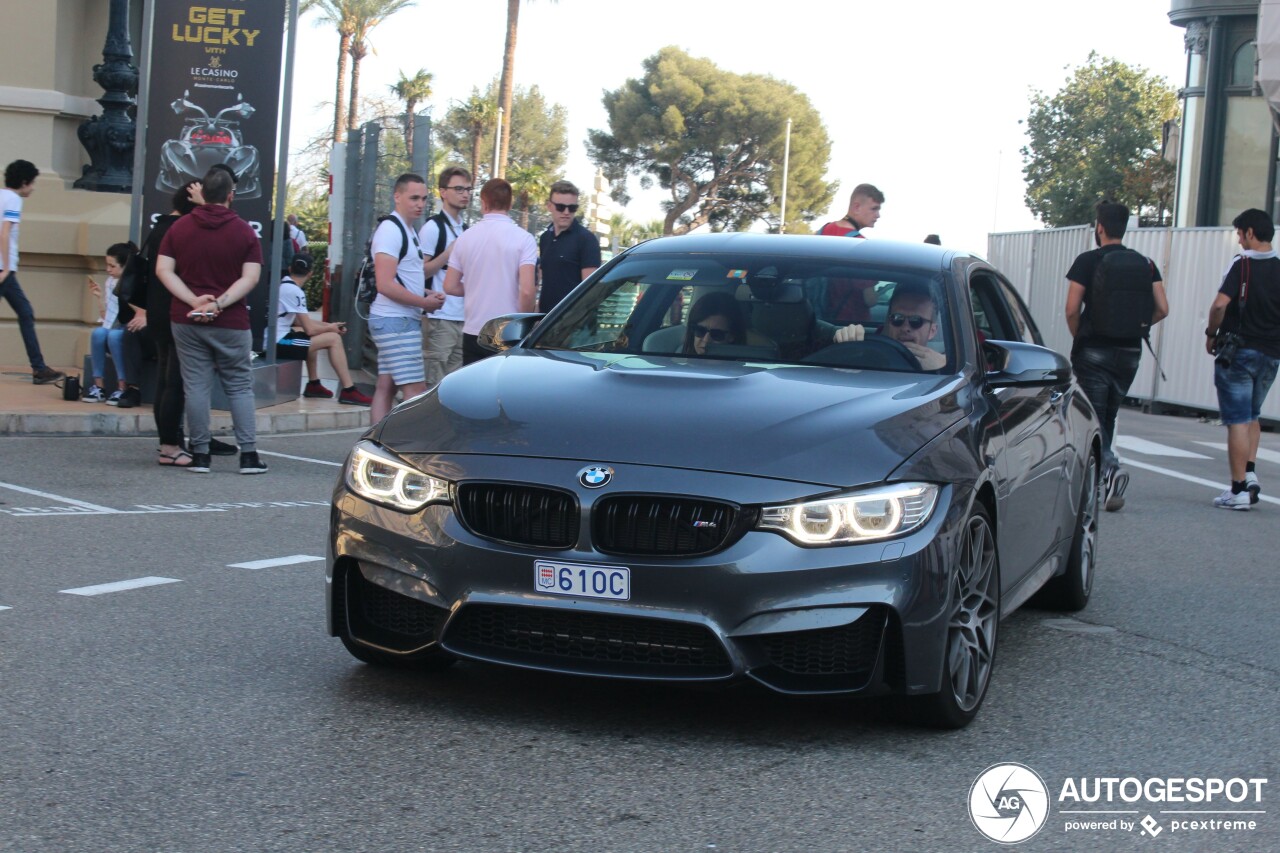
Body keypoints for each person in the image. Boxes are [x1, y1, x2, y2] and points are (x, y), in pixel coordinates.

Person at [156, 166, 267, 475]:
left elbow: (163, 270)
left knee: (195, 387)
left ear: (202, 193)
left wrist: (194, 301)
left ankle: (201, 455)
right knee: (240, 387)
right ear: (231, 195)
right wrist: (219, 303)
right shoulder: (245, 231)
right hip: (231, 321)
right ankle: (248, 456)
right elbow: (251, 277)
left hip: (186, 318)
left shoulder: (178, 228)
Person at [1064, 200, 1169, 512]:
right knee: (1107, 415)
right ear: (1125, 227)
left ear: (1099, 227)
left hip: (1094, 348)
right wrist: (1136, 325)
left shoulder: (1087, 261)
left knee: (1093, 418)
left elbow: (1072, 309)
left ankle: (1110, 468)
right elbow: (1163, 308)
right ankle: (1102, 483)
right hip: (1130, 351)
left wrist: (1081, 336)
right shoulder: (1146, 264)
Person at [1204, 208, 1280, 510]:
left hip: (1239, 352)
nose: (1237, 240)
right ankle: (1248, 474)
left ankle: (1237, 491)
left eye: (1239, 233)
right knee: (1252, 415)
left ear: (1250, 232)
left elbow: (1220, 305)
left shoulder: (1242, 265)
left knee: (1236, 420)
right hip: (1271, 355)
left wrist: (1212, 332)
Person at [368, 173, 443, 422]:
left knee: (386, 387)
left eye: (423, 198)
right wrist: (424, 303)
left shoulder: (406, 229)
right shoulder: (392, 230)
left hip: (395, 319)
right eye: (414, 198)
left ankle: (375, 445)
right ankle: (411, 453)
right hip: (395, 321)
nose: (420, 204)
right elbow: (385, 284)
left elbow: (402, 277)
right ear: (397, 196)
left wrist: (424, 293)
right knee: (415, 393)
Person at [443, 178, 538, 365]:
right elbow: (527, 291)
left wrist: (476, 286)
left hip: (473, 331)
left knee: (471, 390)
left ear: (483, 203)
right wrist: (525, 327)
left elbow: (450, 285)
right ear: (510, 203)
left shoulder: (465, 238)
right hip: (508, 332)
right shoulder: (524, 239)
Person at [276, 254, 372, 405]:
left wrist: (329, 326)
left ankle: (313, 384)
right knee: (333, 339)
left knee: (310, 338)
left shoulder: (284, 286)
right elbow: (310, 330)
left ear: (290, 269)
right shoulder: (294, 291)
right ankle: (349, 390)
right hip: (279, 343)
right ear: (310, 273)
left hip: (276, 339)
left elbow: (298, 321)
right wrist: (331, 330)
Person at [1, 159, 64, 385]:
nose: (33, 188)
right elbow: (5, 233)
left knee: (26, 312)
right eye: (33, 183)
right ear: (25, 182)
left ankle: (39, 368)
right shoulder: (14, 200)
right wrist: (7, 267)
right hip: (3, 268)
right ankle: (39, 368)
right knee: (26, 313)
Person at [418, 166, 471, 387]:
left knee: (454, 385)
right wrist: (447, 254)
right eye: (458, 189)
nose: (465, 194)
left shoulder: (466, 229)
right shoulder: (433, 228)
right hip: (439, 318)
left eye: (468, 189)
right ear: (443, 192)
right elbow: (419, 273)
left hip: (463, 318)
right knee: (433, 384)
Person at [834, 281, 946, 370]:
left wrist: (942, 369)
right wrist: (847, 347)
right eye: (897, 318)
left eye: (916, 321)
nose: (905, 328)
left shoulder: (942, 366)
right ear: (888, 322)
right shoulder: (865, 352)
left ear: (932, 331)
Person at [818, 183, 884, 324]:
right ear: (856, 207)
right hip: (851, 328)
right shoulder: (861, 246)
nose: (878, 215)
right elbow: (870, 300)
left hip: (820, 323)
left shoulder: (823, 232)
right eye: (874, 209)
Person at [83, 242, 138, 405]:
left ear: (124, 266)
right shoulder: (110, 282)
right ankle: (99, 386)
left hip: (130, 327)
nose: (108, 269)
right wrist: (99, 298)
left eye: (112, 266)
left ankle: (122, 387)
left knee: (114, 336)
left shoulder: (135, 283)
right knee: (99, 333)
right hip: (115, 326)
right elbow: (108, 317)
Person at [537, 180, 601, 313]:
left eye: (572, 208)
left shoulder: (586, 239)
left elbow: (590, 291)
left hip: (574, 324)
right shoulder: (545, 238)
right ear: (549, 206)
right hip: (546, 321)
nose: (566, 212)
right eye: (560, 207)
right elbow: (546, 284)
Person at [681, 291, 747, 355]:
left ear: (732, 336)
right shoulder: (678, 362)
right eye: (700, 330)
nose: (706, 340)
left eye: (716, 334)